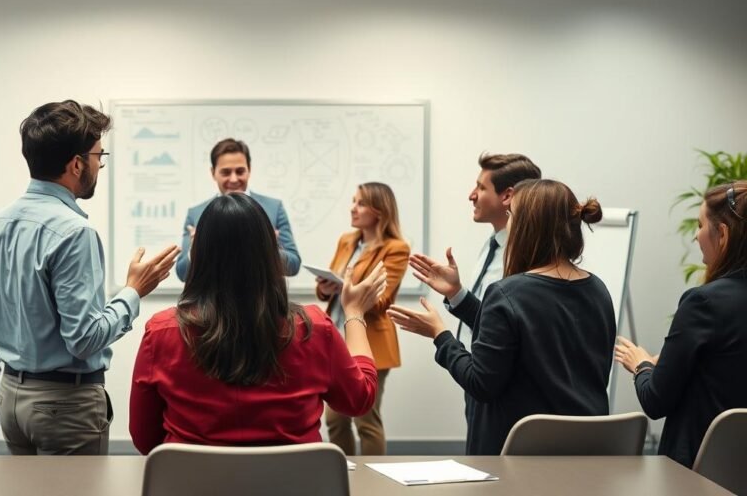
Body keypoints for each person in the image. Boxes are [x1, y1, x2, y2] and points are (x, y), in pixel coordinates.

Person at [0, 100, 179, 456]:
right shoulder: (74, 233)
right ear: (76, 164)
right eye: (98, 157)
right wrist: (134, 292)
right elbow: (84, 340)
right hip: (64, 405)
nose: (99, 166)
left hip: (9, 397)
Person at [130, 193, 385, 454]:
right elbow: (360, 399)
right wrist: (354, 312)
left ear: (198, 254)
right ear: (270, 254)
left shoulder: (162, 332)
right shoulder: (313, 329)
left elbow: (145, 439)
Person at [389, 179, 615, 455]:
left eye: (512, 216)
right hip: (586, 453)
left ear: (528, 227)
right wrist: (457, 294)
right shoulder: (598, 290)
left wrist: (442, 337)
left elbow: (480, 383)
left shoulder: (508, 292)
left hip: (518, 458)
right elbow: (521, 333)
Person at [615, 181, 747, 468]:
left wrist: (642, 365)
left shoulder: (703, 303)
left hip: (699, 475)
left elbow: (655, 401)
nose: (696, 236)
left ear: (722, 234)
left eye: (700, 226)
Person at [314, 182, 410, 455]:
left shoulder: (396, 248)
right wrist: (325, 287)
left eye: (360, 203)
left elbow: (382, 300)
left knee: (366, 419)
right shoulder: (347, 240)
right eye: (353, 201)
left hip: (371, 341)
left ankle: (372, 481)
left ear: (378, 211)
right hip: (336, 337)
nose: (352, 208)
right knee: (334, 418)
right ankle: (343, 472)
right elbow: (328, 290)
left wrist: (346, 287)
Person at [409, 153, 541, 348]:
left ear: (507, 196)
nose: (471, 195)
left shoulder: (527, 258)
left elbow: (503, 331)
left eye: (481, 187)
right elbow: (487, 318)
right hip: (472, 366)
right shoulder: (491, 244)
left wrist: (440, 333)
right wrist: (456, 292)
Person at [176, 138, 300, 281]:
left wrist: (266, 246)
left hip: (263, 301)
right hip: (213, 301)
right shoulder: (196, 214)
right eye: (226, 172)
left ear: (249, 170)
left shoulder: (273, 208)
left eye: (240, 171)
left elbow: (293, 265)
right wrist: (196, 249)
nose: (234, 179)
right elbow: (182, 273)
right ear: (213, 173)